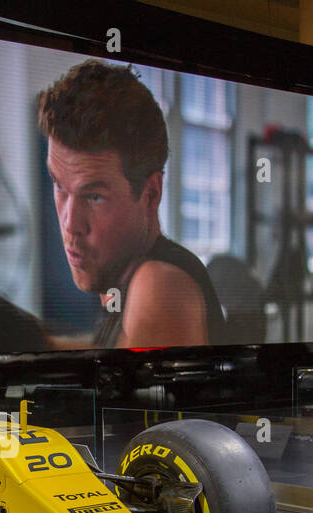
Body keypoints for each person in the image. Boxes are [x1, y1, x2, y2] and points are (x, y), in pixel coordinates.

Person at [36, 59, 223, 349]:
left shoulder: (157, 285)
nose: (70, 224)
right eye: (60, 185)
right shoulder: (122, 281)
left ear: (151, 194)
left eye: (94, 196)